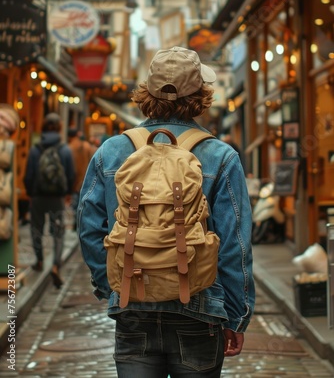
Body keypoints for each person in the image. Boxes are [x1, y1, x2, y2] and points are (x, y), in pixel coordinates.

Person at [78, 46, 255, 377]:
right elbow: (236, 246)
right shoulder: (221, 156)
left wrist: (113, 286)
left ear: (146, 90)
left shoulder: (112, 151)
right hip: (200, 308)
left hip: (133, 307)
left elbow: (89, 228)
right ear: (200, 95)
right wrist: (237, 316)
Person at [24, 112, 75, 288]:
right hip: (57, 198)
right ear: (60, 128)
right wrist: (67, 193)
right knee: (58, 232)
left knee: (36, 228)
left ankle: (39, 261)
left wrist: (30, 193)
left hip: (38, 197)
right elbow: (70, 174)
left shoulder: (35, 149)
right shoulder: (65, 149)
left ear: (43, 127)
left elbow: (29, 174)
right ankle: (55, 265)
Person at [67, 127, 93, 230]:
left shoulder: (69, 148)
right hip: (86, 180)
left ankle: (75, 224)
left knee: (75, 205)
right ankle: (81, 224)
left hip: (75, 182)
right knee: (83, 204)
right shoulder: (87, 146)